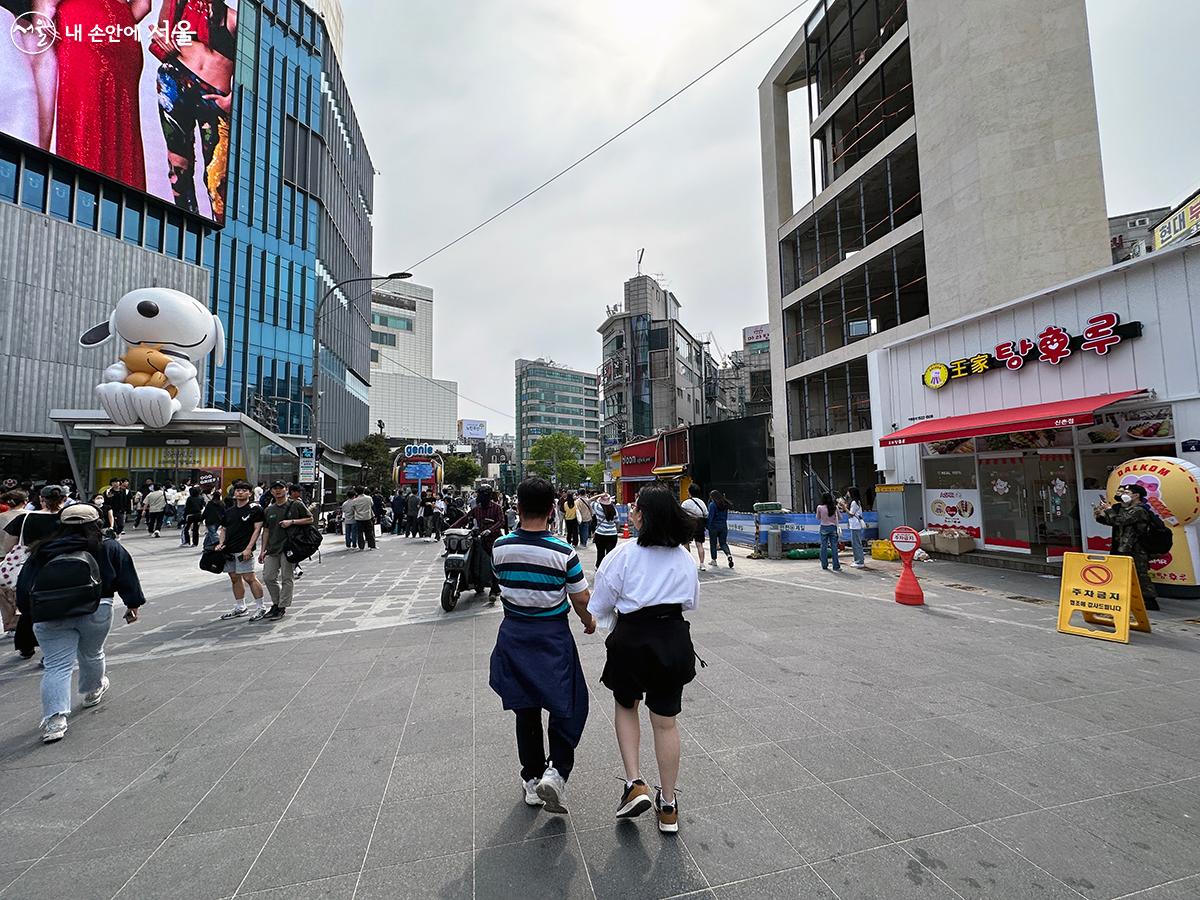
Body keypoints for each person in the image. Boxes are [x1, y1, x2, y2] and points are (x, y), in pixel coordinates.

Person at [588, 482, 700, 834]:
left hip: (632, 638)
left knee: (626, 705)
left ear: (644, 517)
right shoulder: (683, 557)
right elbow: (691, 602)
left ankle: (635, 783)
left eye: (635, 508)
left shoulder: (622, 555)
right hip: (672, 638)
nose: (631, 513)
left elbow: (600, 605)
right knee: (666, 721)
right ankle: (668, 805)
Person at [490, 476, 594, 814]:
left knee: (526, 709)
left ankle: (532, 779)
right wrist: (589, 622)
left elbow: (502, 581)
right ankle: (557, 770)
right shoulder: (563, 552)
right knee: (569, 703)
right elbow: (580, 598)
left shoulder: (500, 546)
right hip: (552, 637)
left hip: (515, 635)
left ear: (517, 507)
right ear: (553, 510)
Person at [16, 503, 145, 743]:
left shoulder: (42, 550)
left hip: (50, 614)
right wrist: (133, 604)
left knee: (56, 666)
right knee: (93, 653)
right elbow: (126, 575)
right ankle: (92, 692)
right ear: (97, 523)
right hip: (97, 608)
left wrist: (28, 612)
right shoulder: (107, 546)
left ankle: (55, 721)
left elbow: (24, 586)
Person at [151, 0, 236, 218]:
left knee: (216, 175)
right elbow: (160, 35)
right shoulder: (176, 4)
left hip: (213, 97)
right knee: (178, 166)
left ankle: (218, 235)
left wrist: (231, 100)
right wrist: (161, 38)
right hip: (174, 83)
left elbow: (254, 69)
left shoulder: (235, 19)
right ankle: (186, 227)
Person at [4, 485, 69, 660]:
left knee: (28, 608)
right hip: (63, 568)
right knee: (58, 608)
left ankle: (26, 647)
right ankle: (51, 651)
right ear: (64, 499)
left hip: (33, 568)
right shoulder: (69, 518)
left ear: (41, 499)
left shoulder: (26, 518)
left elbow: (9, 546)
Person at [1094, 483, 1160, 611]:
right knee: (1119, 572)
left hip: (1137, 548)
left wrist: (1109, 509)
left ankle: (1149, 600)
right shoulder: (1124, 509)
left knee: (1140, 574)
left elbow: (1120, 520)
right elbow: (1113, 522)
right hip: (1121, 547)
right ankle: (1123, 597)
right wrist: (1101, 514)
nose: (1123, 495)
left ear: (1136, 495)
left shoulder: (1140, 510)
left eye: (1127, 493)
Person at [258, 481, 312, 622]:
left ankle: (281, 606)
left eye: (280, 488)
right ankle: (276, 603)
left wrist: (292, 522)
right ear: (271, 491)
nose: (278, 491)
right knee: (268, 577)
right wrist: (262, 550)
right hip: (272, 548)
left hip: (289, 547)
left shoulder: (296, 505)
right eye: (274, 488)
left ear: (286, 490)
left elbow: (310, 519)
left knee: (287, 578)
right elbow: (266, 531)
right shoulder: (269, 510)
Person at [215, 482, 267, 621]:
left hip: (244, 549)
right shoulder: (230, 511)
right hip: (229, 550)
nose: (240, 493)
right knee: (234, 577)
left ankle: (261, 607)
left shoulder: (255, 509)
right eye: (238, 490)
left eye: (244, 490)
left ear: (250, 493)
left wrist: (249, 548)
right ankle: (240, 607)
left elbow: (257, 529)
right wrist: (221, 543)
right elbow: (224, 529)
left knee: (249, 577)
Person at [451, 486, 505, 599]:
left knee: (493, 563)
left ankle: (494, 590)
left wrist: (490, 530)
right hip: (479, 539)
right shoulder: (477, 509)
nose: (481, 497)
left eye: (483, 495)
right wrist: (451, 528)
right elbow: (465, 518)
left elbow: (501, 522)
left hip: (494, 540)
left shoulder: (497, 508)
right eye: (480, 494)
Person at [0, 489, 29, 640]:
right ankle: (24, 618)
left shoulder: (1, 517)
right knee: (23, 588)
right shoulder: (30, 515)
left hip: (2, 559)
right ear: (25, 501)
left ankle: (10, 624)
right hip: (24, 557)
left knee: (3, 593)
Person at [681, 484, 708, 573]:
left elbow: (681, 514)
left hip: (689, 524)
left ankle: (689, 563)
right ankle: (702, 564)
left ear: (689, 492)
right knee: (699, 544)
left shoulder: (686, 503)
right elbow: (706, 514)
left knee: (686, 543)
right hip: (700, 524)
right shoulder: (702, 502)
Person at [707, 491, 734, 569]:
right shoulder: (724, 504)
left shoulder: (712, 505)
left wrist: (708, 526)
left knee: (713, 543)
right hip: (723, 526)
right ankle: (729, 555)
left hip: (714, 527)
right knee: (723, 543)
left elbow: (710, 517)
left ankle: (714, 560)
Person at [592, 493, 619, 568]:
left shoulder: (598, 507)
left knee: (600, 552)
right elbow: (617, 521)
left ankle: (599, 567)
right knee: (610, 554)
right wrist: (615, 530)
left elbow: (589, 501)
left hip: (600, 534)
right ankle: (608, 569)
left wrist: (599, 495)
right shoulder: (614, 509)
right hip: (612, 534)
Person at [816, 492, 841, 572]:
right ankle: (836, 566)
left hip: (823, 527)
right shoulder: (834, 507)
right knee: (834, 547)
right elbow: (840, 517)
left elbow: (818, 517)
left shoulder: (819, 507)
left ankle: (824, 565)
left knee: (823, 547)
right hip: (833, 528)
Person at [844, 487, 867, 568]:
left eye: (848, 492)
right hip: (856, 525)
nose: (847, 493)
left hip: (855, 525)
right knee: (857, 543)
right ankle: (858, 559)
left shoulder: (854, 502)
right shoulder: (857, 501)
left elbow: (851, 514)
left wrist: (844, 508)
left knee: (856, 544)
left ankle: (859, 561)